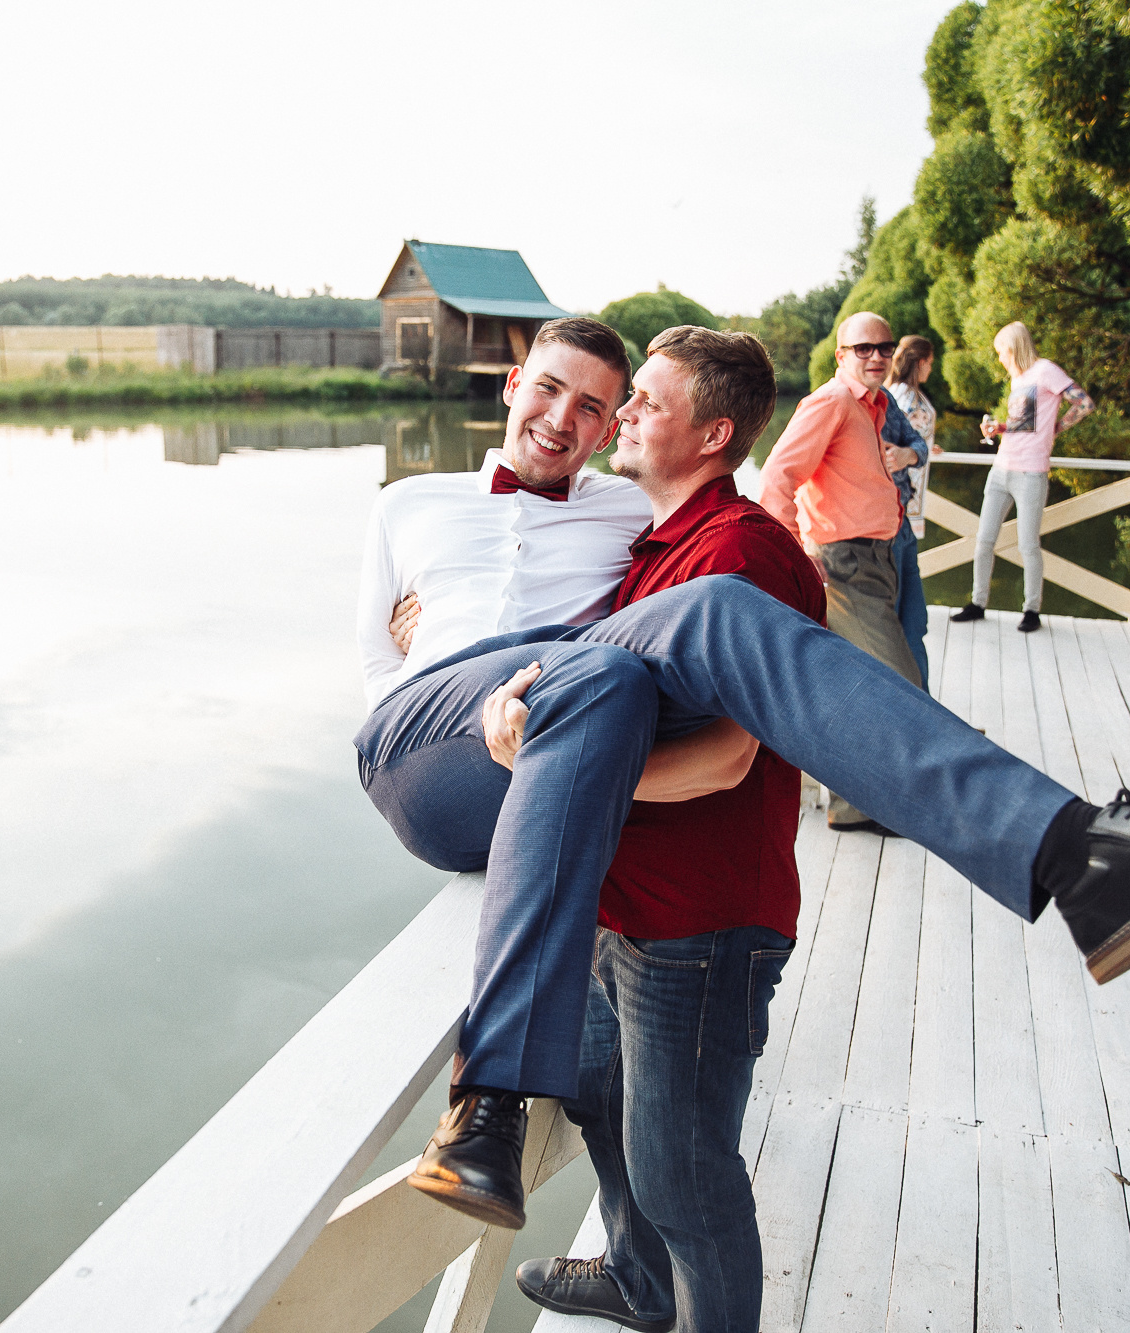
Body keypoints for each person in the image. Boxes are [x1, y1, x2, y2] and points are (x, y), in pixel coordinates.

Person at [353, 317, 1130, 1235]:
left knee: (694, 621)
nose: (566, 420)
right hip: (435, 731)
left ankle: (1074, 854)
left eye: (596, 407)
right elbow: (371, 677)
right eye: (551, 391)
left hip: (569, 705)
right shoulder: (409, 504)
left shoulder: (626, 509)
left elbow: (705, 560)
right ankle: (488, 1086)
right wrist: (447, 657)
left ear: (616, 425)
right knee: (630, 652)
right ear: (512, 384)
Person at [463, 326, 814, 1333]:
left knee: (687, 1179)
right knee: (589, 1088)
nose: (617, 418)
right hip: (621, 907)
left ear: (713, 434)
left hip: (699, 927)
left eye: (644, 404)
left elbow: (728, 757)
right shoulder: (652, 544)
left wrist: (554, 775)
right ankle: (635, 1276)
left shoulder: (740, 553)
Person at [758, 311, 928, 830]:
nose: (875, 356)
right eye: (863, 348)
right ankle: (870, 805)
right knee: (899, 686)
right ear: (841, 355)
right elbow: (776, 480)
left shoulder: (877, 405)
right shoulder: (831, 402)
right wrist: (795, 549)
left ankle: (856, 807)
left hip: (879, 558)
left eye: (883, 347)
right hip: (844, 563)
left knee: (863, 685)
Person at [951, 321, 1094, 632]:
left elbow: (1084, 403)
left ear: (1014, 348)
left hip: (1030, 472)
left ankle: (1032, 610)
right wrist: (999, 428)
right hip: (1001, 468)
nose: (1000, 359)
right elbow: (1024, 424)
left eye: (1001, 352)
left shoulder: (1045, 370)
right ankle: (978, 603)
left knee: (1028, 544)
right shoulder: (1020, 379)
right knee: (984, 540)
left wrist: (1057, 427)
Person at [885, 335, 939, 686]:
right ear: (920, 363)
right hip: (903, 513)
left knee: (904, 620)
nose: (932, 369)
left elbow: (910, 442)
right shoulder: (914, 401)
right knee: (909, 622)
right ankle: (921, 704)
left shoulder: (890, 395)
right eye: (931, 363)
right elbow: (905, 452)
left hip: (895, 515)